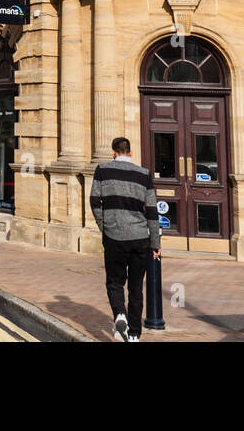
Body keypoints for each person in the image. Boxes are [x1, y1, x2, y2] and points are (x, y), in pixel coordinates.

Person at [89, 136, 161, 343]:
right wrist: (155, 243)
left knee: (115, 282)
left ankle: (120, 314)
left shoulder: (102, 170)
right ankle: (134, 334)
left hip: (114, 237)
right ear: (130, 153)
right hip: (140, 238)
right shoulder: (144, 174)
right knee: (136, 288)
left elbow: (94, 201)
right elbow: (153, 211)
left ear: (113, 152)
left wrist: (104, 225)